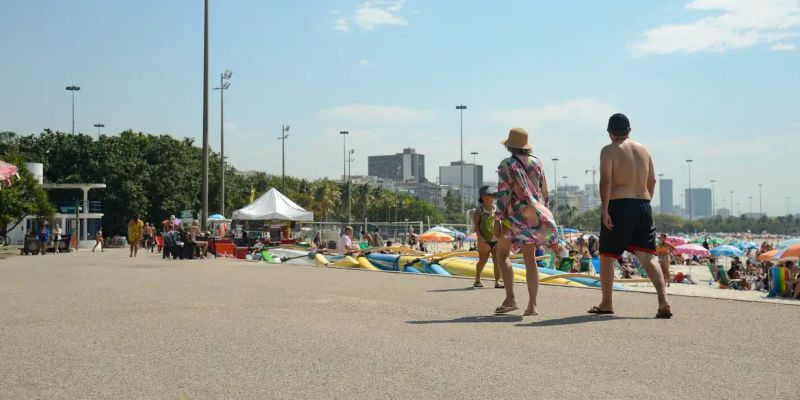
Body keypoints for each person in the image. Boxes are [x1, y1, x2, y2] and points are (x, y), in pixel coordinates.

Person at [592, 113, 671, 318]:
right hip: (643, 205)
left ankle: (606, 303)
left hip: (619, 205)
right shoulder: (643, 150)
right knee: (647, 256)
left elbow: (606, 182)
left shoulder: (609, 150)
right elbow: (652, 180)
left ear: (610, 133)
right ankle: (663, 300)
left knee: (607, 255)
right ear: (629, 130)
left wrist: (605, 208)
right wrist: (645, 202)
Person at [493, 128, 557, 316]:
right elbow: (544, 192)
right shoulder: (537, 163)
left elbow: (504, 192)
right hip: (533, 215)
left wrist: (498, 218)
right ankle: (532, 305)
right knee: (530, 260)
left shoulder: (507, 164)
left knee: (502, 254)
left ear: (509, 146)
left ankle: (510, 298)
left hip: (512, 216)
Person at [473, 185, 503, 288]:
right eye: (486, 195)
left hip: (496, 239)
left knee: (497, 260)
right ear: (482, 197)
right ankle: (477, 279)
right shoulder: (479, 210)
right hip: (484, 239)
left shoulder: (496, 209)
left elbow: (499, 223)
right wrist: (480, 237)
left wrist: (501, 237)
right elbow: (476, 226)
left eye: (491, 195)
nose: (489, 197)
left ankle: (497, 281)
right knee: (482, 261)